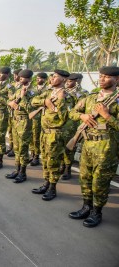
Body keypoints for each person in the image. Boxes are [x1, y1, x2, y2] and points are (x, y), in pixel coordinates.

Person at [68, 66, 119, 228]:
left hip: (106, 148)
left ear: (117, 80)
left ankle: (97, 212)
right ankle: (86, 207)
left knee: (100, 182)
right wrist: (82, 115)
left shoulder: (117, 100)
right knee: (85, 178)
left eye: (107, 77)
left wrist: (107, 116)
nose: (102, 79)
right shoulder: (91, 98)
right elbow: (72, 113)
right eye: (101, 76)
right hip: (88, 144)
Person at [31, 69, 70, 201]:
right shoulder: (48, 92)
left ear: (64, 80)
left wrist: (58, 103)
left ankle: (52, 188)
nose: (52, 78)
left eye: (55, 77)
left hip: (56, 133)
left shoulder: (67, 96)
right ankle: (46, 183)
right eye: (52, 76)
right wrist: (45, 102)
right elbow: (33, 100)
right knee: (46, 160)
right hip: (45, 132)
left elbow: (65, 117)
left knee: (54, 162)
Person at [5, 69, 34, 183]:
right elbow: (10, 101)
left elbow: (32, 109)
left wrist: (23, 98)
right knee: (16, 148)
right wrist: (11, 103)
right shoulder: (18, 90)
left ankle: (23, 172)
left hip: (25, 122)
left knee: (23, 148)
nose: (21, 79)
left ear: (29, 79)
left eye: (24, 77)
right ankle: (17, 170)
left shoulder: (32, 92)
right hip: (16, 121)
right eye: (20, 77)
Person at [29, 72, 48, 166]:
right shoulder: (33, 88)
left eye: (40, 78)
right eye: (37, 78)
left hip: (41, 116)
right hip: (32, 115)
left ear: (45, 79)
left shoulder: (48, 89)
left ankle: (36, 156)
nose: (38, 80)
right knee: (31, 136)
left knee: (37, 137)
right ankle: (32, 154)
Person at [6, 69, 22, 158]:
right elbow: (9, 96)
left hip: (17, 111)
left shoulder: (21, 87)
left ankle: (15, 149)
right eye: (14, 75)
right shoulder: (11, 85)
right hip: (10, 110)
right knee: (10, 130)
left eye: (17, 75)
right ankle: (11, 146)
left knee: (16, 131)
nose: (15, 77)